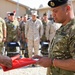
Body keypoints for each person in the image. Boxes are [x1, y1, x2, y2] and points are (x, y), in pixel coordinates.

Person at [33, 0, 75, 74]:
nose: (53, 15)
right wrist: (44, 59)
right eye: (52, 11)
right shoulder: (63, 28)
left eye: (55, 11)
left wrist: (52, 62)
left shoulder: (73, 30)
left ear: (67, 9)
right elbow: (60, 54)